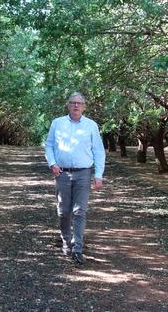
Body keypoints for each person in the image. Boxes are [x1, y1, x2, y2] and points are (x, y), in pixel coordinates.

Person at [44, 92, 105, 265]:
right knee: (64, 211)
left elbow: (99, 151)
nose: (76, 106)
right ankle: (65, 241)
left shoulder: (91, 126)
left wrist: (98, 175)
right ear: (68, 105)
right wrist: (52, 163)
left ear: (84, 106)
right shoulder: (57, 123)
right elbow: (48, 145)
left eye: (79, 103)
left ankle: (77, 247)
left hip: (84, 173)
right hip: (62, 173)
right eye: (73, 103)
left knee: (80, 211)